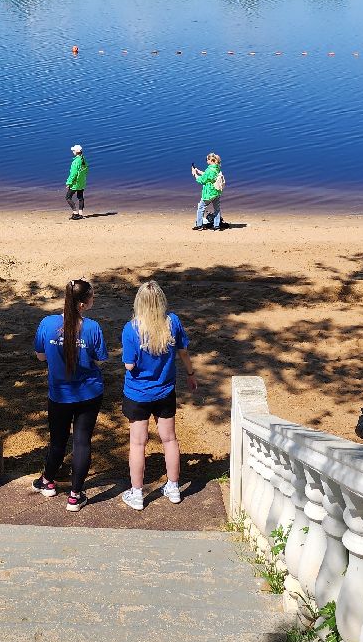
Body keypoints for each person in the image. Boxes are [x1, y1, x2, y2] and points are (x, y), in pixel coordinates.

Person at [120, 281, 197, 510]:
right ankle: (173, 487)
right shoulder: (172, 322)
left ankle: (137, 494)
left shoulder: (131, 328)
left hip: (138, 393)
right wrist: (191, 374)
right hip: (165, 391)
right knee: (170, 439)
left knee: (137, 443)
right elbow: (183, 351)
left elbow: (129, 365)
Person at [32, 278, 107, 511]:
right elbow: (100, 359)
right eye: (92, 296)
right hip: (89, 393)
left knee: (58, 440)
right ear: (82, 305)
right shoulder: (93, 328)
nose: (94, 298)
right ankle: (75, 496)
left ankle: (48, 481)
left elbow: (40, 356)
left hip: (59, 395)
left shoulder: (47, 323)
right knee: (81, 441)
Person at [191, 152, 223, 231]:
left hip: (209, 193)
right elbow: (208, 176)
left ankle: (199, 225)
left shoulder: (209, 170)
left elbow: (201, 180)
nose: (206, 161)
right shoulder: (217, 168)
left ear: (210, 160)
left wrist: (195, 174)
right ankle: (216, 226)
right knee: (217, 209)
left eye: (207, 160)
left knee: (201, 208)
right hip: (216, 192)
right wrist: (198, 171)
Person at [65, 144, 88, 219]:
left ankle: (75, 213)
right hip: (82, 182)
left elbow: (73, 174)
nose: (72, 152)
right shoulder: (83, 159)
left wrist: (69, 183)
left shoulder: (76, 161)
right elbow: (86, 170)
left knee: (68, 197)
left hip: (75, 183)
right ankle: (81, 214)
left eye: (73, 150)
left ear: (76, 152)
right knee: (80, 197)